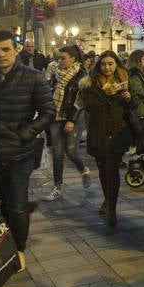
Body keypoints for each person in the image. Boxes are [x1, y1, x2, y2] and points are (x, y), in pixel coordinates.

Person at [0, 30, 55, 268]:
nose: (1, 54)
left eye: (6, 49)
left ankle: (17, 249)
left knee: (16, 207)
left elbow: (48, 112)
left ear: (15, 50)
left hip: (18, 155)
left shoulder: (34, 77)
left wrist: (26, 133)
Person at [77, 52, 140, 228]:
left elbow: (134, 105)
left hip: (118, 133)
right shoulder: (90, 83)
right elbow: (88, 107)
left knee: (112, 170)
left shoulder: (124, 80)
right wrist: (104, 94)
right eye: (104, 64)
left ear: (116, 65)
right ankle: (107, 199)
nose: (107, 68)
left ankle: (112, 208)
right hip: (98, 133)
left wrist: (129, 98)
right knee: (103, 169)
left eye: (111, 64)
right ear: (99, 66)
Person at [49, 46, 91, 199]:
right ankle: (57, 186)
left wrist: (71, 120)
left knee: (71, 152)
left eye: (63, 58)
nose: (59, 61)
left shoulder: (82, 75)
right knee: (57, 153)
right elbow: (50, 90)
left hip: (73, 117)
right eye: (58, 58)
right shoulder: (54, 72)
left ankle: (83, 170)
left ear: (73, 59)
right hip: (55, 116)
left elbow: (80, 101)